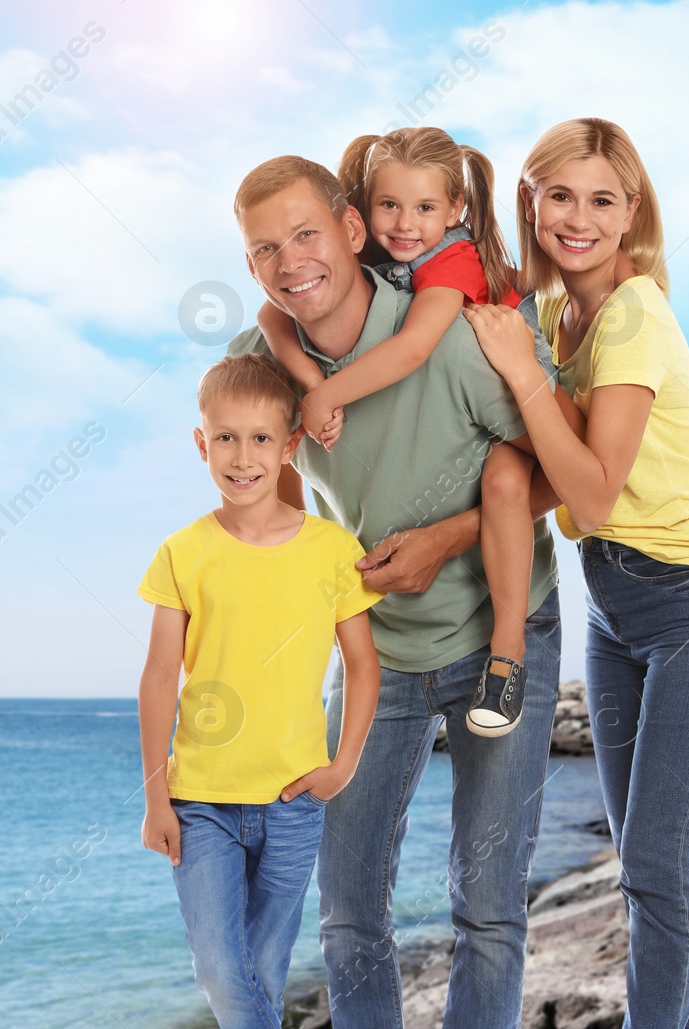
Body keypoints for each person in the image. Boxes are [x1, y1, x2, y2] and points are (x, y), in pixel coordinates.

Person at [227, 154, 574, 1029]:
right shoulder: (255, 362)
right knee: (347, 912)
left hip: (500, 627)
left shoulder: (454, 338)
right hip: (372, 645)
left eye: (307, 233)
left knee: (489, 908)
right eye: (265, 248)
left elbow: (569, 473)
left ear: (351, 232)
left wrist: (444, 538)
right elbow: (264, 489)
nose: (290, 259)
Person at [468, 117, 689, 1029]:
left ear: (632, 212)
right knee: (654, 878)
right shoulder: (562, 315)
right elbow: (553, 476)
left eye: (602, 199)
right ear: (531, 201)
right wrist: (447, 540)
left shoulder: (634, 315)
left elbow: (591, 497)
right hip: (614, 615)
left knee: (653, 870)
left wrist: (523, 374)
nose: (579, 217)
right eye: (559, 195)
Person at [256, 127, 537, 739]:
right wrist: (306, 378)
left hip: (509, 366)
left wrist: (328, 393)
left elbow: (412, 350)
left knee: (508, 485)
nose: (405, 224)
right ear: (362, 216)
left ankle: (508, 657)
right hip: (382, 637)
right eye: (390, 206)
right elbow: (268, 315)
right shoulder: (382, 257)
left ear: (456, 211)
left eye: (426, 209)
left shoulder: (450, 265)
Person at [136, 353, 383, 1029]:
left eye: (261, 438)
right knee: (221, 970)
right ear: (201, 443)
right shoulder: (181, 553)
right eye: (225, 437)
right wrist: (156, 795)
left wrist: (342, 767)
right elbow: (159, 676)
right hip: (200, 804)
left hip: (292, 801)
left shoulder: (330, 549)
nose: (241, 457)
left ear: (289, 447)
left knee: (264, 976)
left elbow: (364, 664)